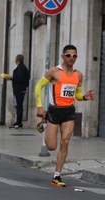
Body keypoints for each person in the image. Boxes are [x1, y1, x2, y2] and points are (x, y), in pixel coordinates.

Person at [35, 44, 95, 187]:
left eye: (74, 55)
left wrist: (85, 97)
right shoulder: (54, 72)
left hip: (69, 111)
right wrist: (39, 106)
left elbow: (78, 95)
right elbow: (38, 86)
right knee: (51, 146)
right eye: (68, 55)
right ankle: (45, 123)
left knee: (65, 142)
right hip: (54, 111)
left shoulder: (78, 75)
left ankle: (57, 176)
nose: (71, 58)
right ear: (63, 56)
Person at [7, 54, 29, 129]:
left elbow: (19, 79)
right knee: (17, 106)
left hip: (19, 90)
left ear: (16, 60)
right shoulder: (21, 68)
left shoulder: (21, 68)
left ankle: (19, 122)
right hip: (18, 90)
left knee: (19, 106)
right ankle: (18, 121)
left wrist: (11, 78)